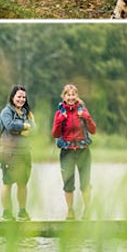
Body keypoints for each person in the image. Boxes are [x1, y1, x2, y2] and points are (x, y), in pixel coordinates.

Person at [51, 84, 97, 220]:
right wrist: (60, 120)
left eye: (73, 95)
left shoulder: (83, 111)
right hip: (67, 152)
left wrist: (87, 117)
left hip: (83, 151)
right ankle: (70, 211)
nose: (71, 97)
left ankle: (87, 210)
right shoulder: (59, 113)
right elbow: (55, 134)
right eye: (68, 95)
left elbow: (93, 130)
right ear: (64, 97)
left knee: (85, 183)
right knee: (68, 184)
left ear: (77, 96)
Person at [0, 85, 35, 221]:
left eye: (24, 97)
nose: (21, 99)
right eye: (19, 96)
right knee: (8, 182)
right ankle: (7, 213)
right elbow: (9, 125)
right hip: (10, 153)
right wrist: (24, 126)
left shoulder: (26, 112)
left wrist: (26, 127)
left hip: (25, 153)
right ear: (13, 97)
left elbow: (35, 128)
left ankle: (22, 211)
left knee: (22, 183)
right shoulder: (6, 111)